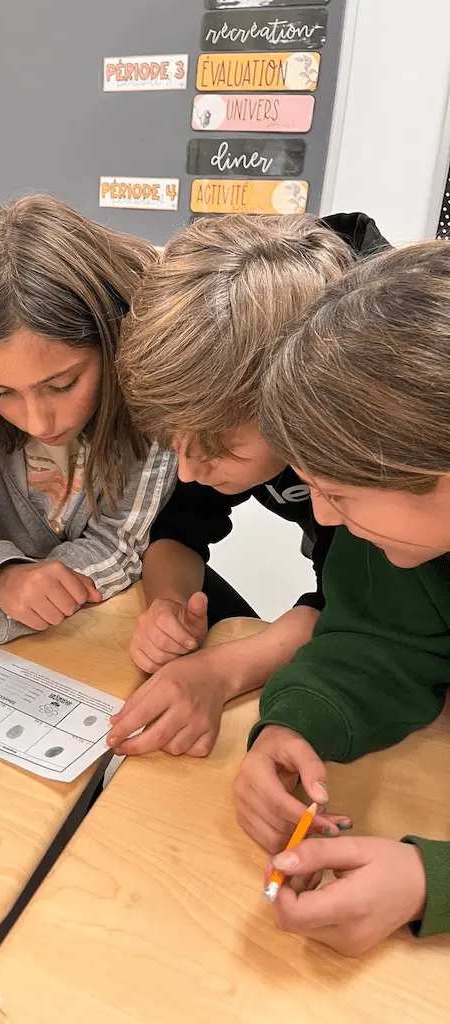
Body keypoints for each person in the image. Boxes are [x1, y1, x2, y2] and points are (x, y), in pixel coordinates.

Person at [235, 240, 450, 955]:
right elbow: (379, 642)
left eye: (340, 494)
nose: (321, 518)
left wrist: (431, 880)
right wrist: (291, 726)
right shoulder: (400, 540)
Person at [108, 212, 390, 759]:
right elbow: (180, 523)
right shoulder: (223, 387)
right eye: (171, 440)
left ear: (299, 401)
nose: (189, 469)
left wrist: (223, 669)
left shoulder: (365, 435)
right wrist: (167, 607)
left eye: (217, 448)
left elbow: (360, 605)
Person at [0, 195, 176, 644]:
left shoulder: (152, 397)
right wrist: (2, 578)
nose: (39, 422)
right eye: (0, 393)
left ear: (112, 341)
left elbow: (116, 550)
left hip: (94, 633)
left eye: (62, 385)